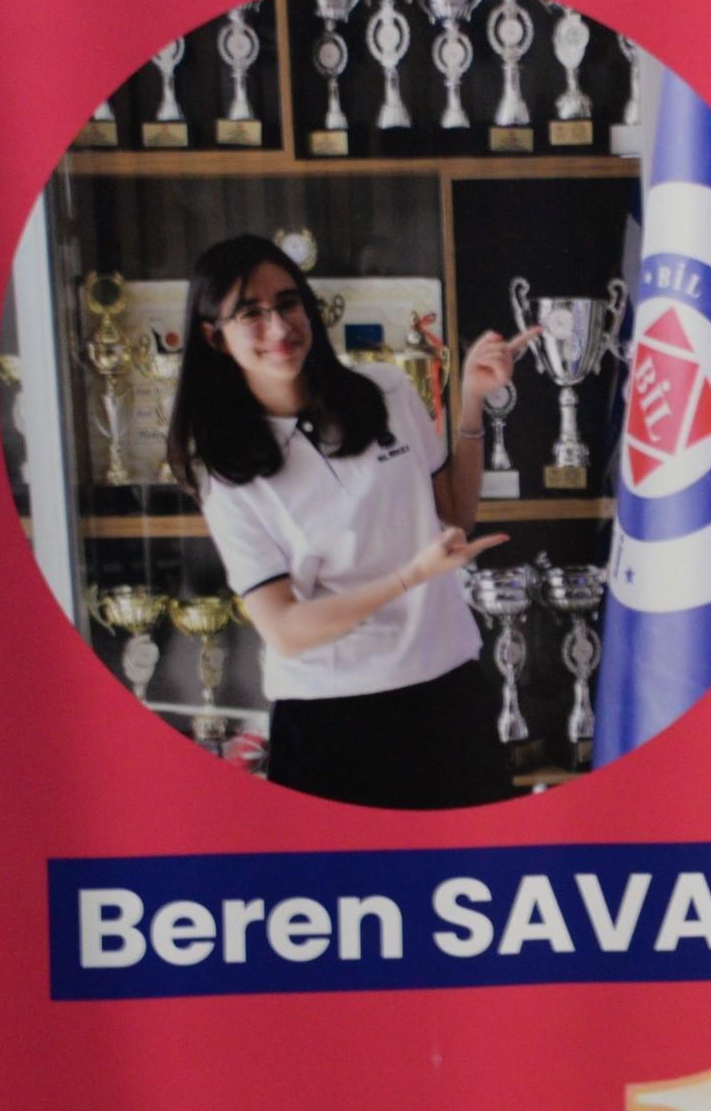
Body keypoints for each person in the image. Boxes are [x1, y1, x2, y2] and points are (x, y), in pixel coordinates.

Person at [166, 233, 535, 810]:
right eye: (250, 314)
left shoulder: (387, 391)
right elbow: (285, 628)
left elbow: (454, 516)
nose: (279, 327)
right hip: (330, 725)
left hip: (449, 698)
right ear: (215, 336)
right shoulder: (223, 471)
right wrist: (410, 578)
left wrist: (472, 402)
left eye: (288, 303)